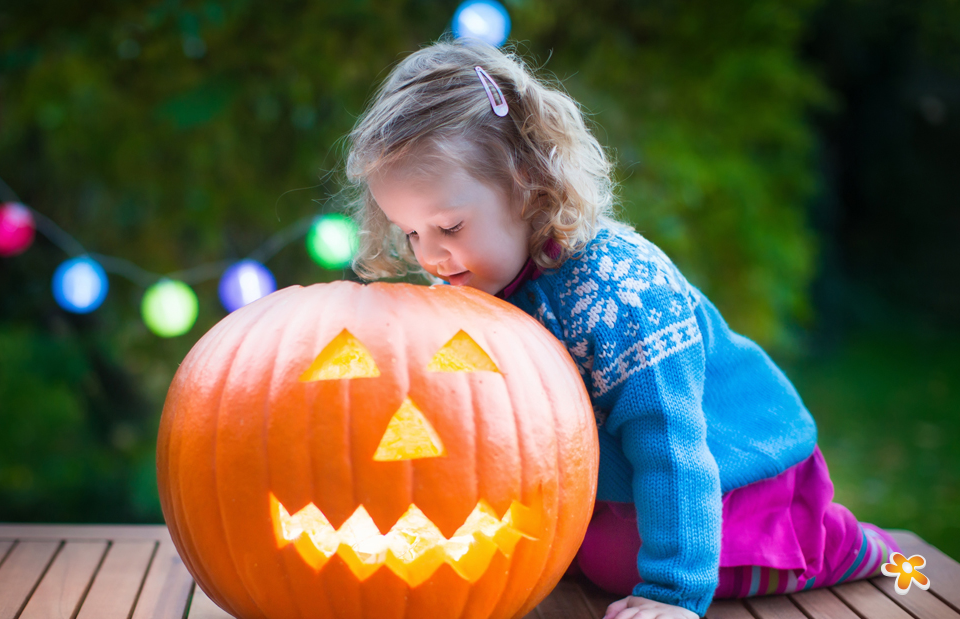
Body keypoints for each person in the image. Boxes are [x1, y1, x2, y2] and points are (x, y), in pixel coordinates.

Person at [339, 38, 902, 619]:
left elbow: (673, 446)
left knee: (612, 560)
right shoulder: (478, 285)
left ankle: (845, 545)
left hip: (737, 469)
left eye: (449, 226)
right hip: (624, 484)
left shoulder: (617, 291)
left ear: (525, 179)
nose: (430, 255)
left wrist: (673, 597)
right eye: (411, 233)